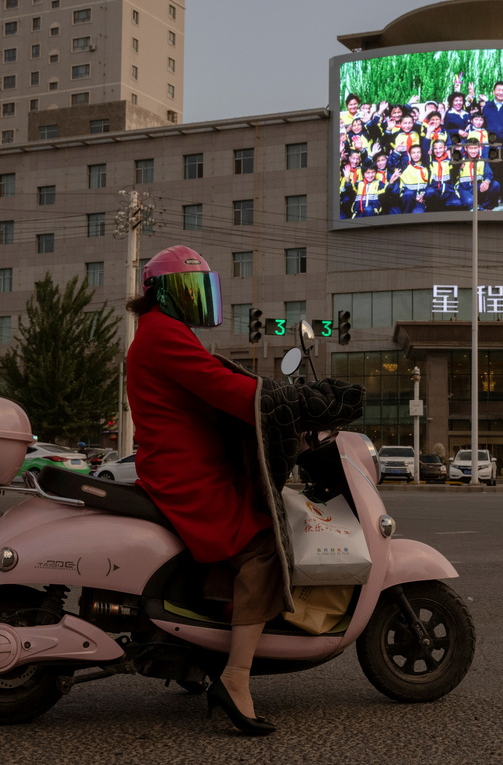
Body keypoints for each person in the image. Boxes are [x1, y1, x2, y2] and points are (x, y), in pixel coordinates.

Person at [126, 245, 362, 736]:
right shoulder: (163, 335)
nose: (194, 299)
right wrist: (302, 401)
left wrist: (284, 398)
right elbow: (229, 390)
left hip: (194, 466)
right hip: (188, 473)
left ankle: (209, 646)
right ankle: (234, 677)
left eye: (200, 290)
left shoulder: (165, 333)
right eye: (186, 290)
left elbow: (224, 383)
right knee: (262, 549)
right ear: (160, 294)